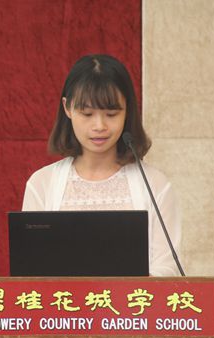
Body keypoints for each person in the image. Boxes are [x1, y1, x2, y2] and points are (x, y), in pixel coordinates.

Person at [22, 54, 181, 276]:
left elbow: (167, 266)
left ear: (127, 109)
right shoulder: (42, 184)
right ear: (67, 108)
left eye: (111, 114)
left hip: (134, 300)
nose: (99, 126)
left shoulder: (155, 184)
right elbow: (31, 271)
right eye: (87, 113)